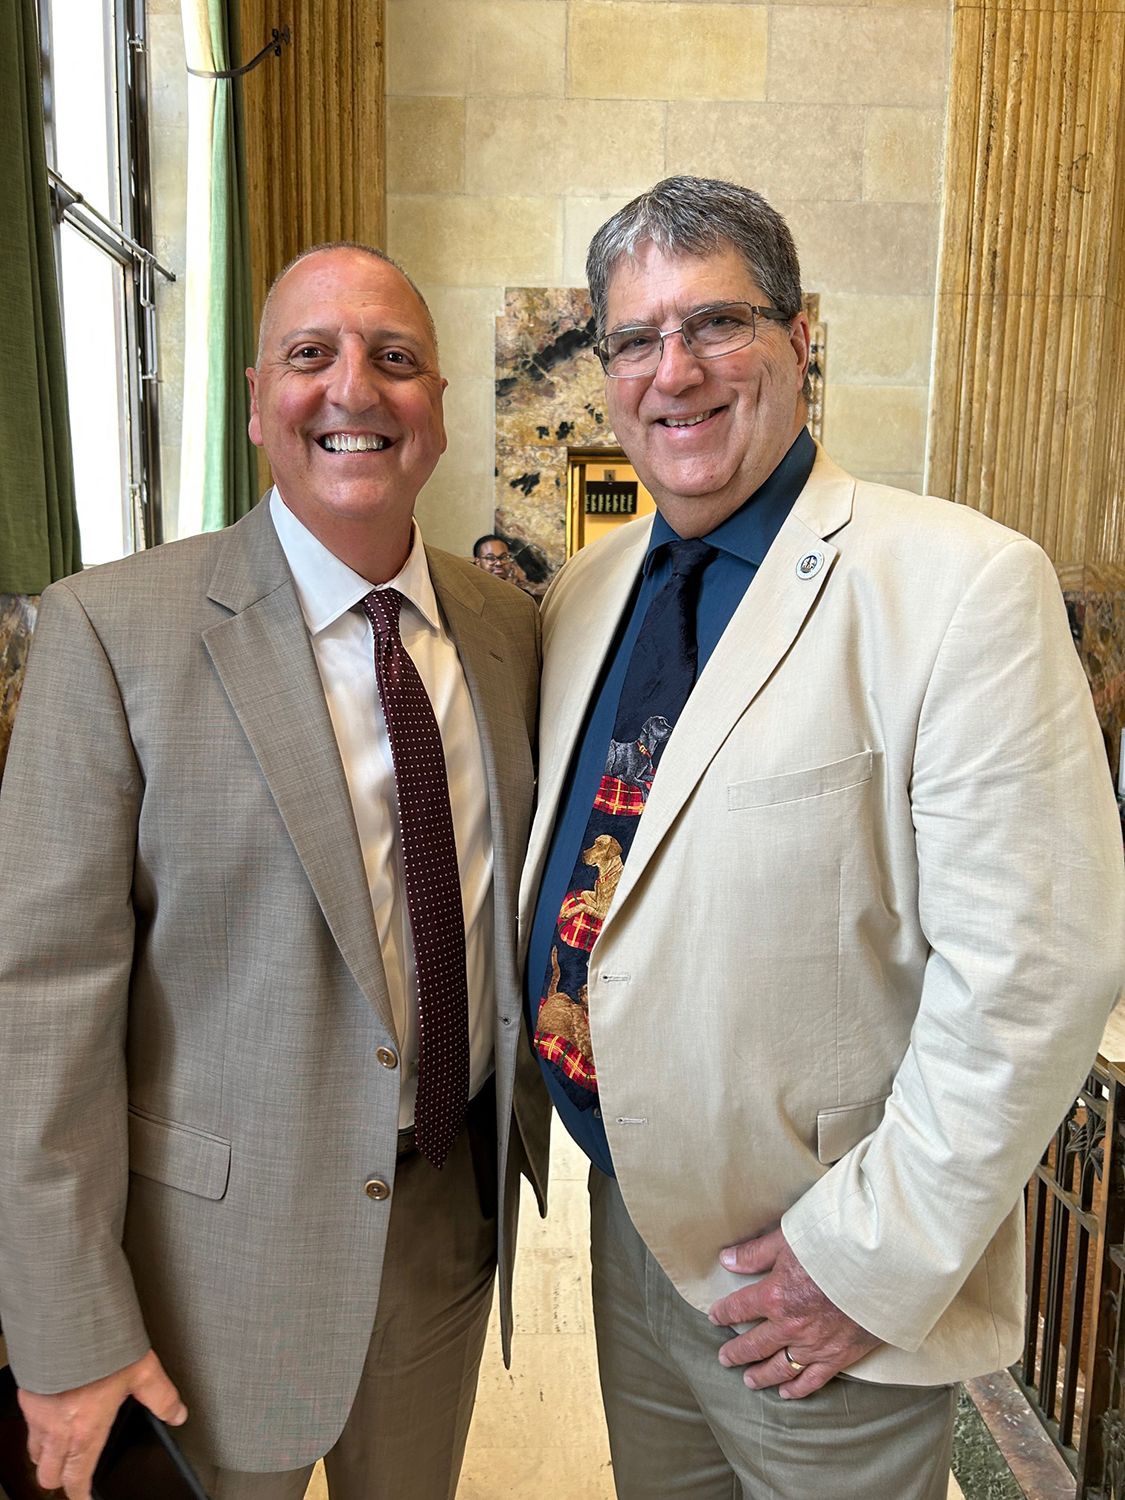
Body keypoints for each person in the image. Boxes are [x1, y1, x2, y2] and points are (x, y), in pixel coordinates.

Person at [519, 176, 1125, 1499]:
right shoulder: (589, 589)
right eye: (635, 338)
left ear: (801, 339)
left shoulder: (959, 585)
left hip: (818, 1274)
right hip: (627, 1235)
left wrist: (864, 1266)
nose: (674, 370)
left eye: (716, 323)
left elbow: (1035, 975)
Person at [0, 242, 550, 1500]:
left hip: (443, 1227)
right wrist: (69, 1324)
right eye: (312, 355)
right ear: (256, 403)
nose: (354, 388)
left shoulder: (509, 630)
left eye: (394, 358)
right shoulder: (110, 633)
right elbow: (37, 1006)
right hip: (208, 1270)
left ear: (438, 408)